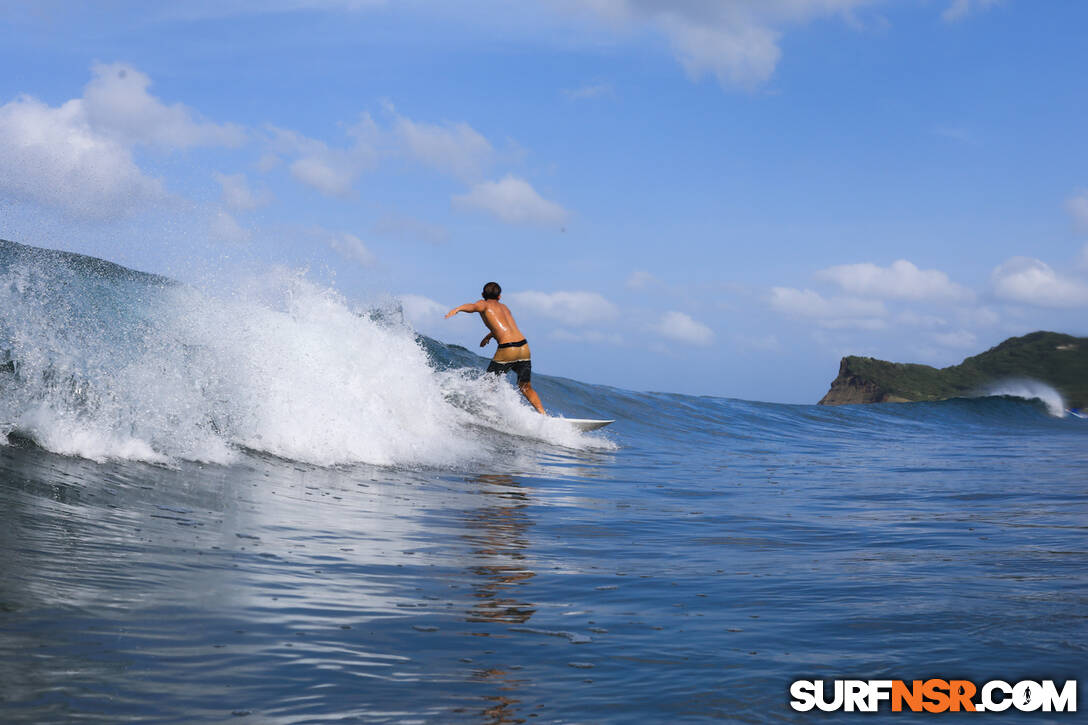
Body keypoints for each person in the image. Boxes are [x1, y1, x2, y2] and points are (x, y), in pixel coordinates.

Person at [445, 282, 546, 414]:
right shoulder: (504, 307)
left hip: (508, 349)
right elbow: (506, 327)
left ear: (482, 295)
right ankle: (543, 414)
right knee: (525, 386)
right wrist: (489, 336)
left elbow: (473, 306)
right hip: (523, 347)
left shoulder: (484, 304)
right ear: (499, 297)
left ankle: (478, 412)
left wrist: (458, 309)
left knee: (486, 386)